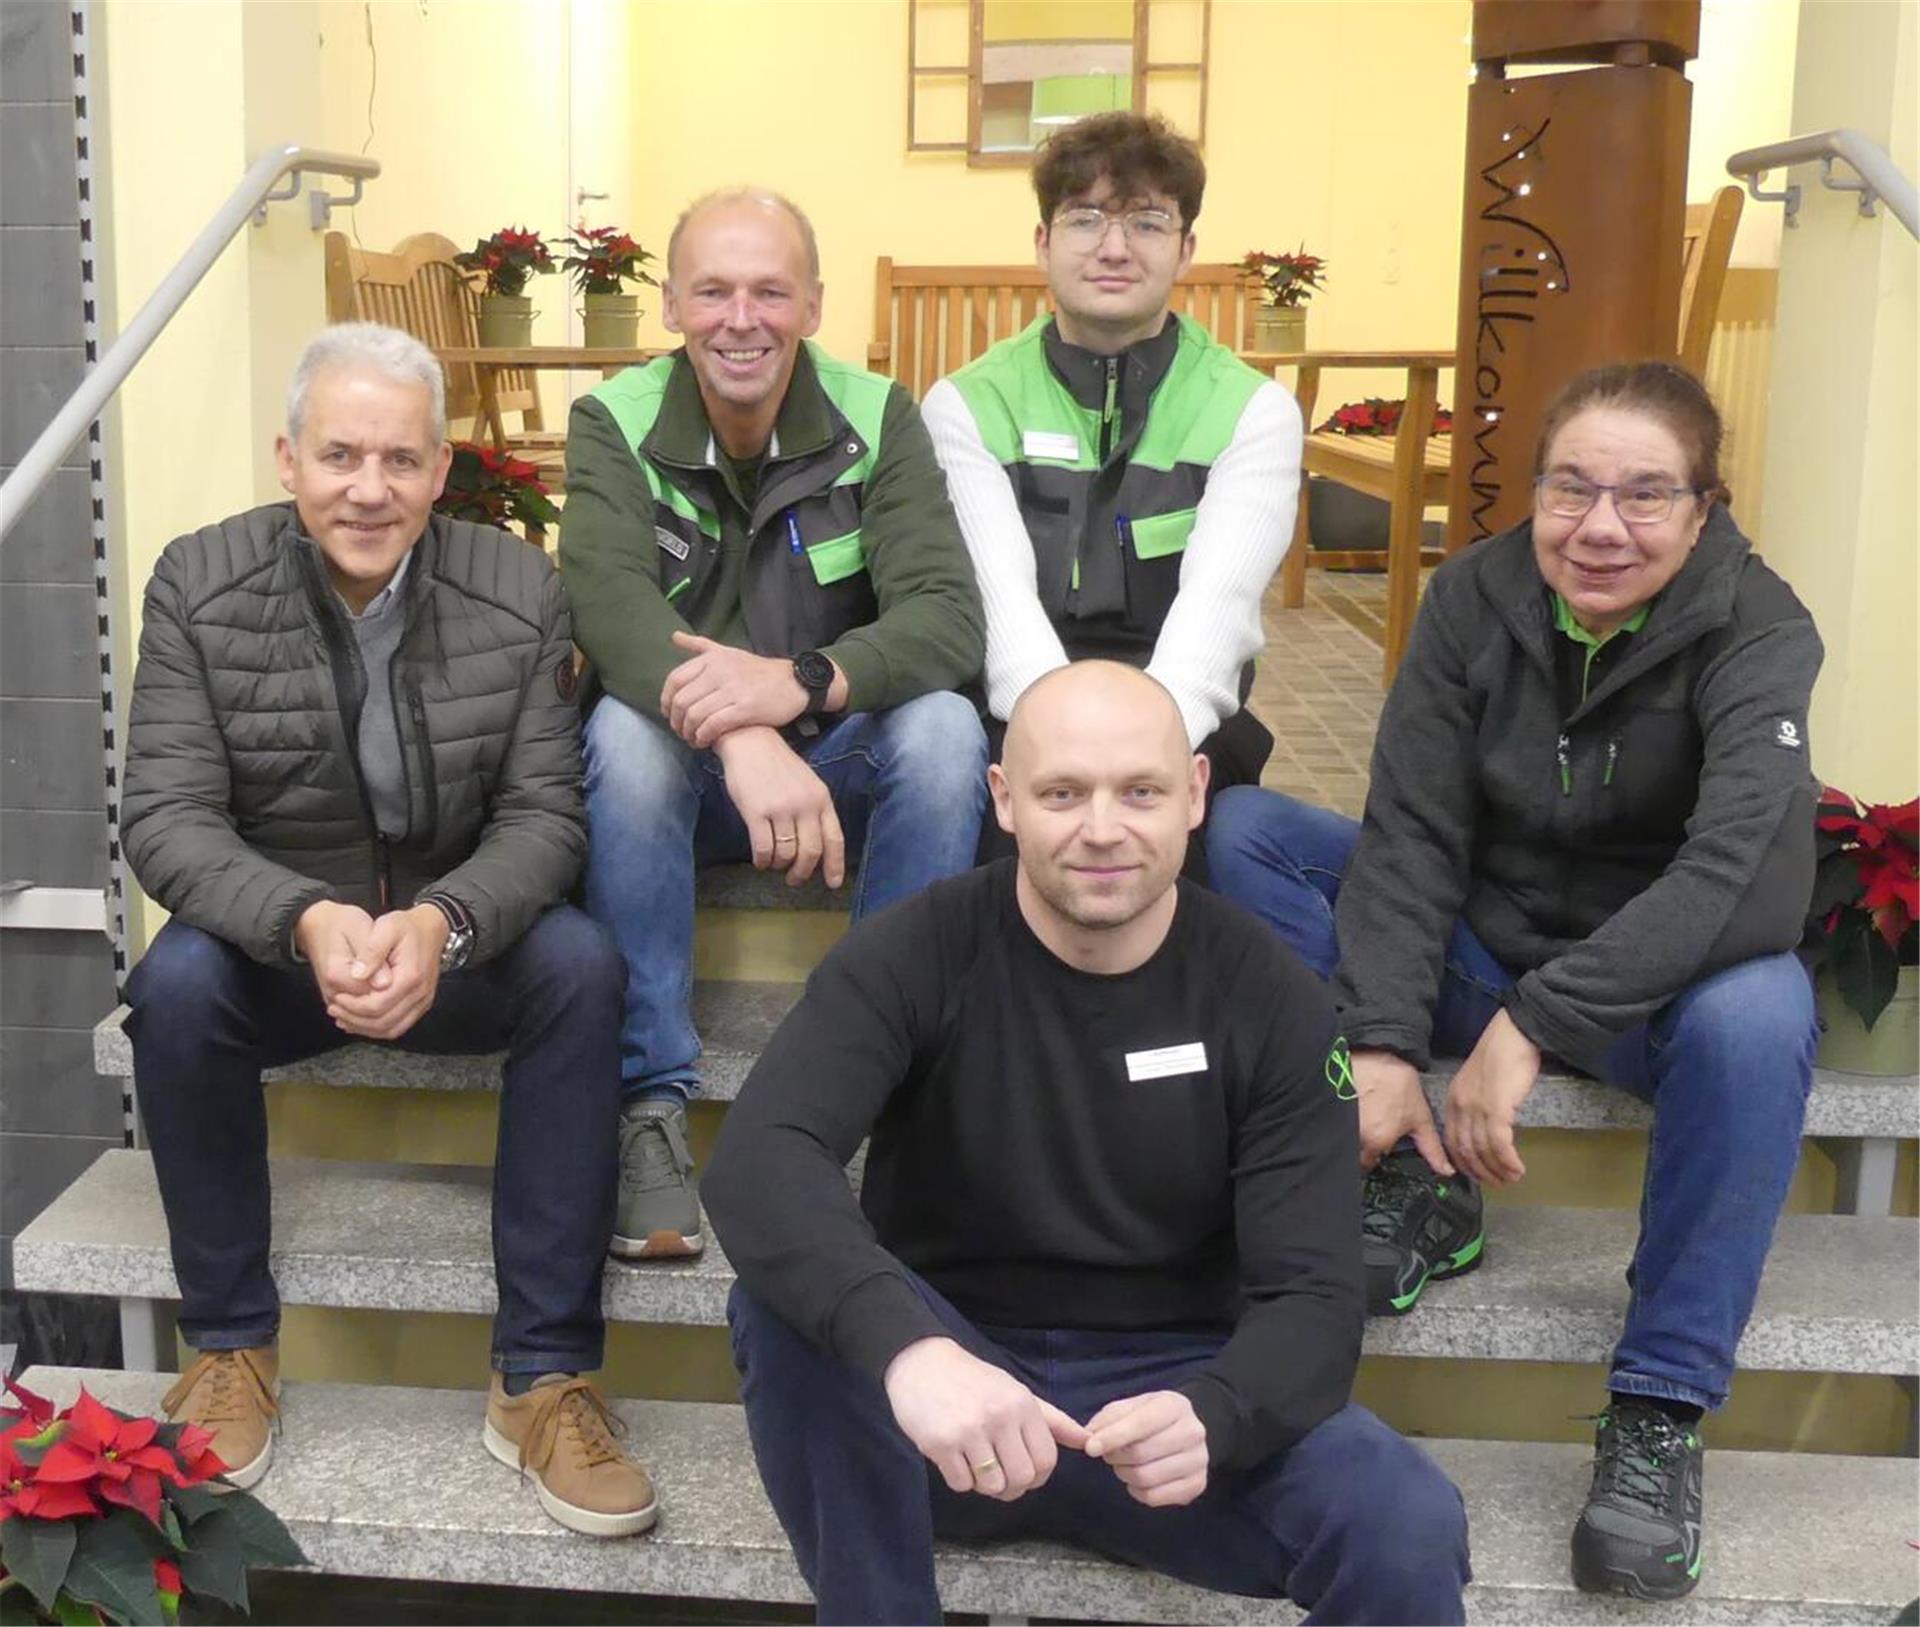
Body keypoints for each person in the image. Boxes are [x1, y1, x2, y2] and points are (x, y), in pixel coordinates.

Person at [1206, 361, 1822, 1601]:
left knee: (1764, 1014)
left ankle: (1657, 1408)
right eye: (1572, 488)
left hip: (1660, 995)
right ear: (1534, 493)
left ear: (1705, 508)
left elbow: (1739, 880)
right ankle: (1427, 1185)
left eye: (1647, 495)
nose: (1601, 526)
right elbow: (1413, 830)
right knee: (1245, 837)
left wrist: (1534, 1023)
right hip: (1480, 953)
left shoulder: (1762, 626)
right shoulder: (1474, 597)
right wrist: (1378, 1042)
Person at [704, 661, 1471, 1625]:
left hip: (1169, 1420)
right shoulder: (917, 950)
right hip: (952, 1412)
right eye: (1063, 792)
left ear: (1195, 794)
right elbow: (761, 1158)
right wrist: (912, 1353)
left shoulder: (1270, 997)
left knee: (1404, 1523)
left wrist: (1216, 1412)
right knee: (785, 1304)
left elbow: (1315, 1297)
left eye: (1139, 791)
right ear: (1004, 798)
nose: (1101, 828)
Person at [119, 323, 655, 1539]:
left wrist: (444, 919)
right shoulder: (199, 583)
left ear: (442, 468)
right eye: (340, 455)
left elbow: (542, 817)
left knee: (580, 961)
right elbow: (164, 816)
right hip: (281, 955)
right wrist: (302, 916)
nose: (370, 489)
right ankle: (228, 1347)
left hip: (448, 949)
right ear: (288, 459)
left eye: (401, 461)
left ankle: (543, 1375)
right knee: (175, 981)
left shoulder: (518, 586)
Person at [560, 188, 988, 1262]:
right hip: (691, 776)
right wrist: (741, 732)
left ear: (812, 304)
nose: (739, 319)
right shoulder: (612, 421)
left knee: (944, 732)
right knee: (618, 734)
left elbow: (946, 618)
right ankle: (649, 1110)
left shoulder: (879, 413)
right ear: (671, 304)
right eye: (712, 291)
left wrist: (798, 685)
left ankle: (889, 1090)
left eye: (768, 291)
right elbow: (608, 606)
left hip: (832, 763)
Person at [922, 110, 1301, 860]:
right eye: (1085, 219)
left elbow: (1214, 621)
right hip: (1018, 700)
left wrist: (1135, 759)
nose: (1115, 248)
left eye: (1149, 223)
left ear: (1187, 248)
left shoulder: (1252, 411)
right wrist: (1061, 752)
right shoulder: (967, 404)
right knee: (1011, 839)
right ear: (1043, 242)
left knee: (1172, 838)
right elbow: (1000, 609)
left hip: (1177, 708)